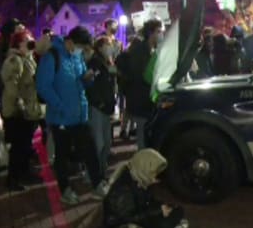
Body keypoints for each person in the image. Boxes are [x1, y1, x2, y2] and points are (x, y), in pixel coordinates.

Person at [36, 26, 109, 205]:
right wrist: (60, 105)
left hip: (80, 115)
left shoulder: (76, 56)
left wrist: (87, 79)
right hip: (61, 117)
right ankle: (65, 190)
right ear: (70, 42)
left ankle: (98, 183)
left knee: (90, 150)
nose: (81, 52)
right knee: (62, 155)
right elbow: (43, 86)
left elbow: (79, 82)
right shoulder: (52, 56)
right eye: (80, 47)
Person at [103, 149, 186, 228]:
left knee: (177, 210)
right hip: (124, 225)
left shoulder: (140, 177)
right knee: (163, 227)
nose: (155, 178)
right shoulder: (124, 189)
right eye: (154, 173)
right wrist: (158, 211)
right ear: (145, 167)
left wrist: (162, 207)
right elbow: (127, 218)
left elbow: (147, 201)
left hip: (140, 214)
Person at [0, 30, 44, 191]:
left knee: (25, 144)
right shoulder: (15, 60)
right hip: (17, 111)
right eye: (28, 40)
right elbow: (12, 85)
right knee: (18, 146)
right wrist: (20, 105)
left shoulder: (28, 59)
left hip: (28, 108)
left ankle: (24, 173)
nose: (32, 42)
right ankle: (13, 178)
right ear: (19, 44)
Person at [124, 19, 163, 149]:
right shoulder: (139, 51)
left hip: (149, 101)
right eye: (158, 31)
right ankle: (142, 167)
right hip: (140, 100)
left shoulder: (153, 49)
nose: (161, 34)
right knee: (142, 139)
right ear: (151, 33)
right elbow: (141, 76)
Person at [86, 36, 117, 177]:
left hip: (105, 107)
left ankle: (101, 171)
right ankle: (92, 174)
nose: (110, 47)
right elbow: (91, 86)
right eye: (107, 45)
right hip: (98, 108)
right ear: (99, 47)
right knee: (98, 143)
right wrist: (99, 102)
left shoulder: (105, 62)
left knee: (106, 142)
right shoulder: (95, 62)